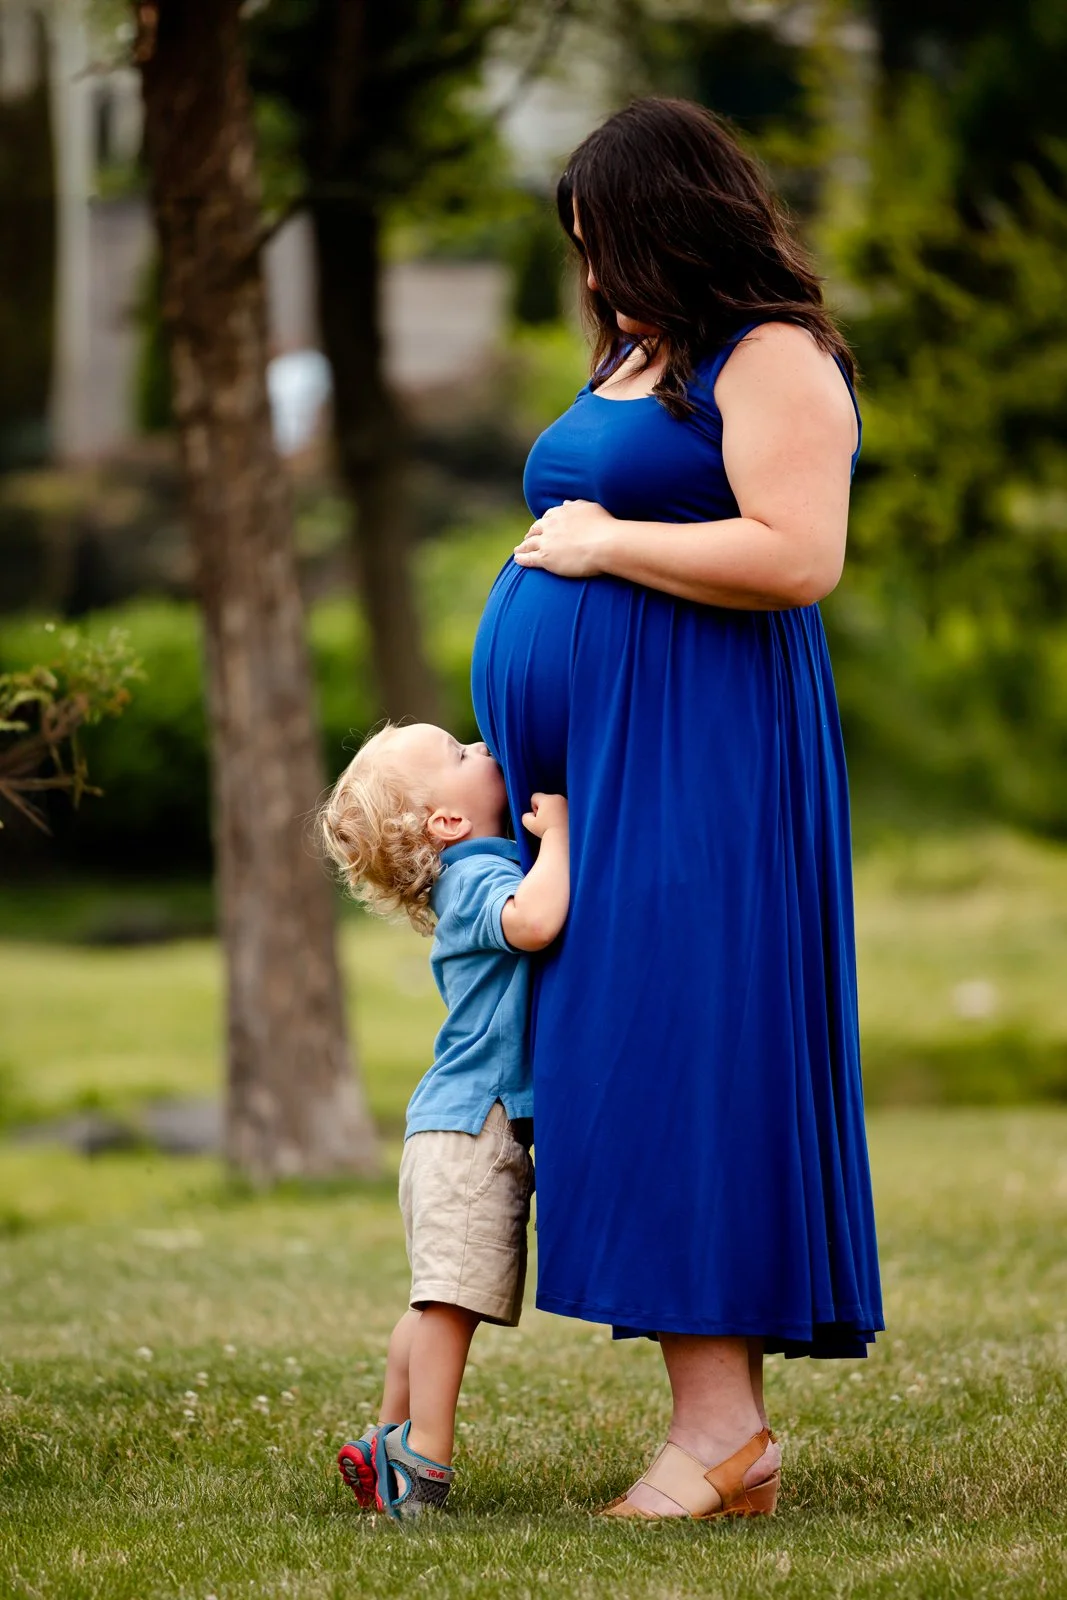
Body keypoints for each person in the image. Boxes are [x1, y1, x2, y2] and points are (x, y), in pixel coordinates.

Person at [471, 98, 884, 1521]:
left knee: (679, 1067)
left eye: (608, 243)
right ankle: (717, 1431)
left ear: (672, 224)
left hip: (705, 767)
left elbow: (796, 555)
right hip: (613, 778)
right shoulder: (646, 353)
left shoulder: (771, 357)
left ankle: (720, 1440)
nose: (593, 276)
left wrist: (598, 543)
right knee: (619, 1078)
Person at [318, 722, 569, 1518]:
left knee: (433, 1300)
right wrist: (560, 837)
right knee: (449, 1305)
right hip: (471, 1128)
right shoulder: (475, 879)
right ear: (447, 823)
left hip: (453, 1124)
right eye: (460, 755)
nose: (483, 747)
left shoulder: (473, 868)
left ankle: (382, 1436)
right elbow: (533, 923)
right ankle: (424, 1459)